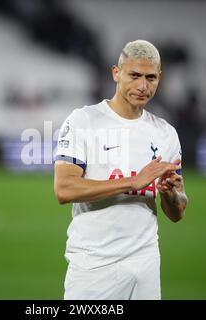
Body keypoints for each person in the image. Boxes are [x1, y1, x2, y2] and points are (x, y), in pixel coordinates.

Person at [53, 40, 188, 300]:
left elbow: (177, 212)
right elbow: (64, 188)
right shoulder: (84, 121)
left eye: (150, 78)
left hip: (146, 261)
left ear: (160, 78)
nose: (142, 86)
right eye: (134, 75)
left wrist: (173, 195)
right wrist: (132, 182)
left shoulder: (166, 133)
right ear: (116, 73)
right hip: (94, 265)